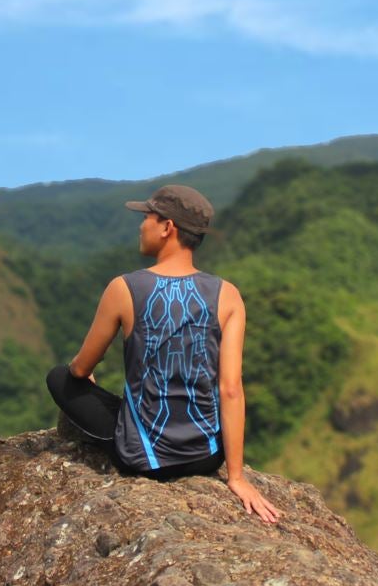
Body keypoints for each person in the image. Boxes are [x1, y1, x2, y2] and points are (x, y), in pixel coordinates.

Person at [45, 184, 281, 524]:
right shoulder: (228, 295)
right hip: (205, 458)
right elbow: (230, 389)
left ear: (167, 227)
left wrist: (83, 374)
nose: (142, 225)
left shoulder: (123, 288)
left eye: (147, 217)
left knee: (59, 377)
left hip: (141, 458)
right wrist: (236, 477)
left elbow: (80, 370)